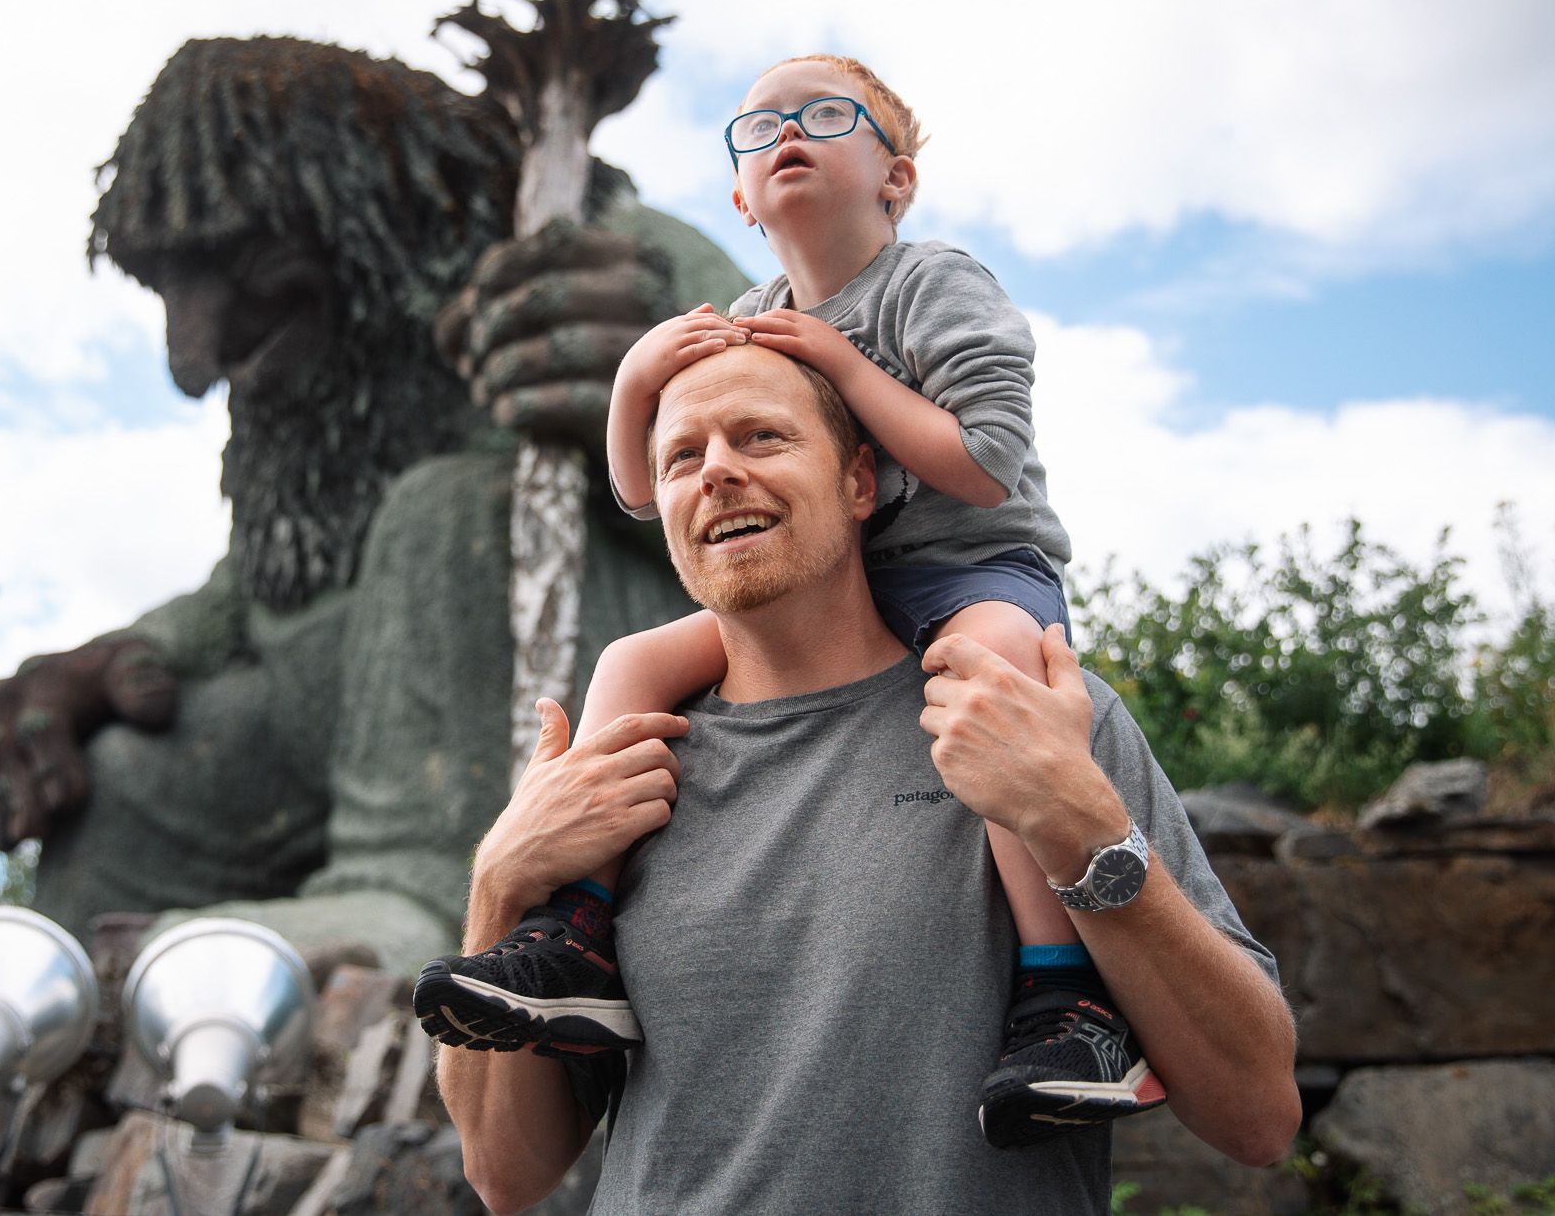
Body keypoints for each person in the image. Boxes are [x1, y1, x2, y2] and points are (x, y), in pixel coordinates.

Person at [416, 53, 1141, 1144]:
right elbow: (634, 485)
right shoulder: (753, 317)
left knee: (990, 686)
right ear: (744, 202)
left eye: (822, 115)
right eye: (756, 129)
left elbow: (985, 462)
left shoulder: (930, 285)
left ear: (892, 180)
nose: (785, 130)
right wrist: (633, 383)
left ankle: (1061, 995)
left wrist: (845, 374)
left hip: (970, 568)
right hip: (835, 584)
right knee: (627, 663)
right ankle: (577, 931)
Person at [435, 342, 1299, 1213]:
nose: (719, 472)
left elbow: (1257, 1115)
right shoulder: (617, 767)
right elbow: (506, 1173)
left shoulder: (1031, 719)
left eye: (762, 436)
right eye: (681, 457)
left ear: (859, 482)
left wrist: (1083, 828)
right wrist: (502, 880)